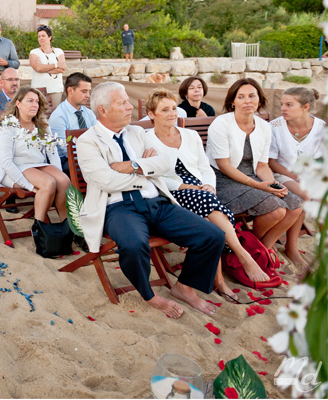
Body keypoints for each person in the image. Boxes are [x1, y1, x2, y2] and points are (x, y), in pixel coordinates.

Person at [76, 81, 225, 318]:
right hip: (119, 208)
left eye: (127, 101)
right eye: (122, 102)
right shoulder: (87, 141)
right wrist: (146, 172)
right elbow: (106, 181)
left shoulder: (137, 132)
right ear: (103, 110)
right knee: (134, 245)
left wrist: (133, 165)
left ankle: (184, 287)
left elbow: (164, 164)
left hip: (157, 202)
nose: (129, 106)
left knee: (213, 235)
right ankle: (150, 295)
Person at [145, 88, 269, 300]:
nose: (172, 113)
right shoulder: (145, 139)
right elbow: (151, 176)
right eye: (164, 110)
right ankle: (242, 257)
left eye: (174, 108)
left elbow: (204, 167)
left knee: (210, 214)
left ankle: (219, 279)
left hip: (201, 190)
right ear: (151, 113)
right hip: (171, 193)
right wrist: (186, 188)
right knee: (210, 206)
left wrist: (209, 185)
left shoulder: (190, 135)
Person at [206, 78, 307, 273]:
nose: (247, 101)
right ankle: (250, 247)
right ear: (232, 101)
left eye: (252, 96)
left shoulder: (263, 126)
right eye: (241, 97)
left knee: (295, 206)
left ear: (259, 100)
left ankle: (262, 247)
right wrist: (261, 186)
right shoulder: (221, 124)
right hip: (223, 179)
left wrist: (272, 183)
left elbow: (261, 165)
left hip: (253, 176)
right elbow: (224, 166)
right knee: (276, 210)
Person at [0, 87, 71, 228]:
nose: (34, 104)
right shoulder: (7, 127)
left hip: (37, 165)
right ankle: (39, 228)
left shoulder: (42, 125)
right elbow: (6, 162)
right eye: (30, 101)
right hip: (13, 169)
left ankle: (66, 224)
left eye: (37, 101)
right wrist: (29, 186)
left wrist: (58, 174)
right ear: (18, 103)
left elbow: (52, 154)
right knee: (48, 183)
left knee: (64, 181)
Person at [268, 87, 326, 201]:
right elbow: (272, 162)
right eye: (282, 104)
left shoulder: (322, 128)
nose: (283, 108)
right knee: (307, 196)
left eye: (289, 105)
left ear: (305, 107)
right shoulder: (273, 127)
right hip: (283, 175)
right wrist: (297, 177)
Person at [49, 72, 97, 169]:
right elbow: (65, 150)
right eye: (84, 91)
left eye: (89, 91)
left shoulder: (89, 113)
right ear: (70, 90)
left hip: (90, 157)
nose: (88, 95)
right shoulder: (58, 116)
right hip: (68, 161)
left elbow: (98, 136)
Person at [29, 25, 66, 106]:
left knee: (55, 114)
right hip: (38, 89)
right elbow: (37, 68)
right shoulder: (34, 52)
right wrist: (56, 65)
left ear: (50, 37)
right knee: (40, 115)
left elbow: (62, 69)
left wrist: (43, 68)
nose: (41, 38)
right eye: (39, 36)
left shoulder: (58, 51)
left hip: (55, 89)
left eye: (43, 36)